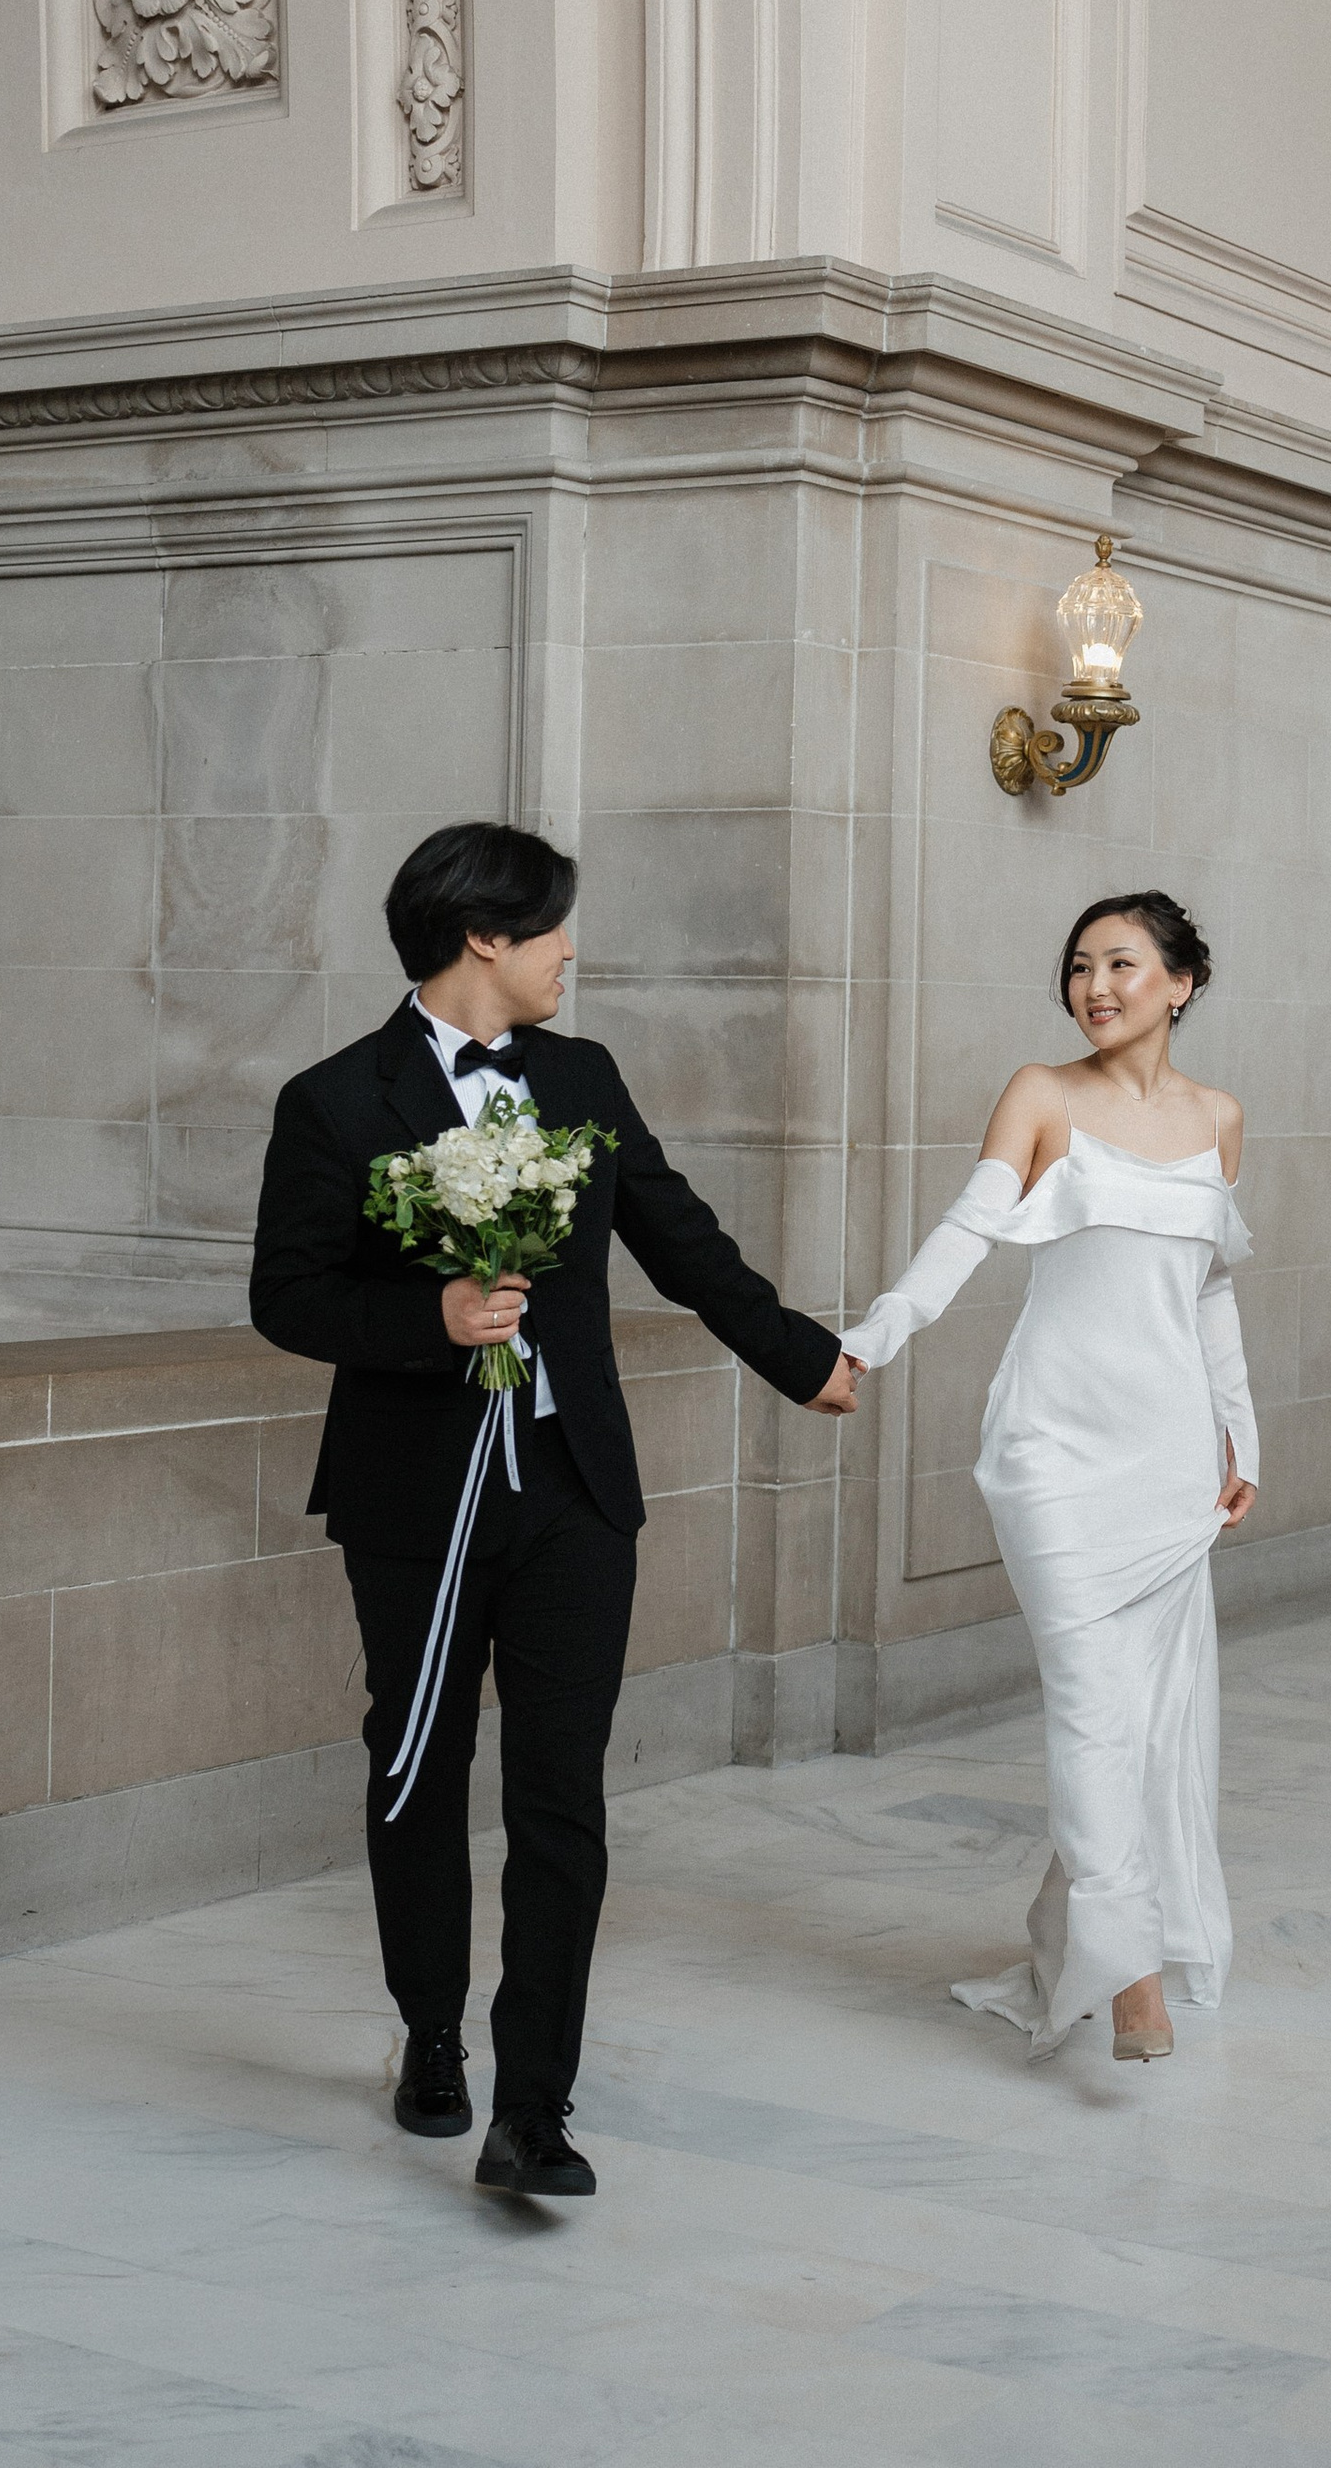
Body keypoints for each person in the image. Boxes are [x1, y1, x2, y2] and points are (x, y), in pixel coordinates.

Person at [250, 821, 858, 2198]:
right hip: (414, 1501)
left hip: (572, 1489)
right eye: (553, 929)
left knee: (560, 1797)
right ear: (484, 936)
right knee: (415, 1772)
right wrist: (438, 1315)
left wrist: (797, 1354)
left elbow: (679, 1234)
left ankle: (536, 2106)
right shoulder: (336, 1102)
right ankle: (429, 2032)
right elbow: (285, 1298)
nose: (570, 952)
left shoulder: (578, 1078)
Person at [842, 891, 1257, 2063]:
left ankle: (1097, 1927)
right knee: (1088, 1697)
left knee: (1146, 1714)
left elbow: (1210, 1289)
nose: (1096, 987)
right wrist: (873, 1334)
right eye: (1079, 966)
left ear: (1180, 983)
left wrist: (1244, 1434)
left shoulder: (1219, 1117)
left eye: (1122, 964)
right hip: (1054, 1448)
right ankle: (1125, 1968)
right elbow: (967, 1230)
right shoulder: (1040, 1093)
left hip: (1170, 1455)